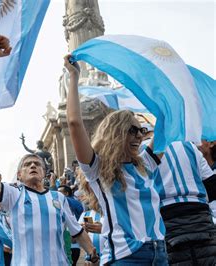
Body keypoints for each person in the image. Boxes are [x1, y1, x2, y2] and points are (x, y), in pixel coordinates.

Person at [64, 54, 167, 265]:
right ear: (115, 133)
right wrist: (74, 77)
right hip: (126, 257)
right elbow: (74, 122)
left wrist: (155, 79)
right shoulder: (97, 168)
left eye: (142, 130)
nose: (140, 136)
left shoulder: (145, 164)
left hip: (160, 253)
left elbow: (167, 117)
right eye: (132, 130)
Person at [0, 154, 98, 265]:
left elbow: (77, 231)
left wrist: (92, 254)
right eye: (27, 164)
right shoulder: (14, 194)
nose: (33, 165)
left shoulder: (59, 197)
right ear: (19, 175)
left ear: (44, 172)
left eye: (37, 163)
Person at [154, 141, 216, 265]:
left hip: (167, 222)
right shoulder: (189, 146)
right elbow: (212, 185)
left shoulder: (145, 152)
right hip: (200, 218)